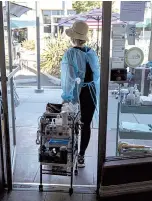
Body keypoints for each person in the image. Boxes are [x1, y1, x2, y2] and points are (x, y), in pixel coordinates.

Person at [60, 21, 100, 168]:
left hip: (77, 93)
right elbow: (96, 76)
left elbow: (68, 79)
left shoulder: (70, 54)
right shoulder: (92, 52)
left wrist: (66, 97)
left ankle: (70, 153)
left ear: (73, 38)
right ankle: (81, 156)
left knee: (72, 123)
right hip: (91, 93)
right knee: (86, 124)